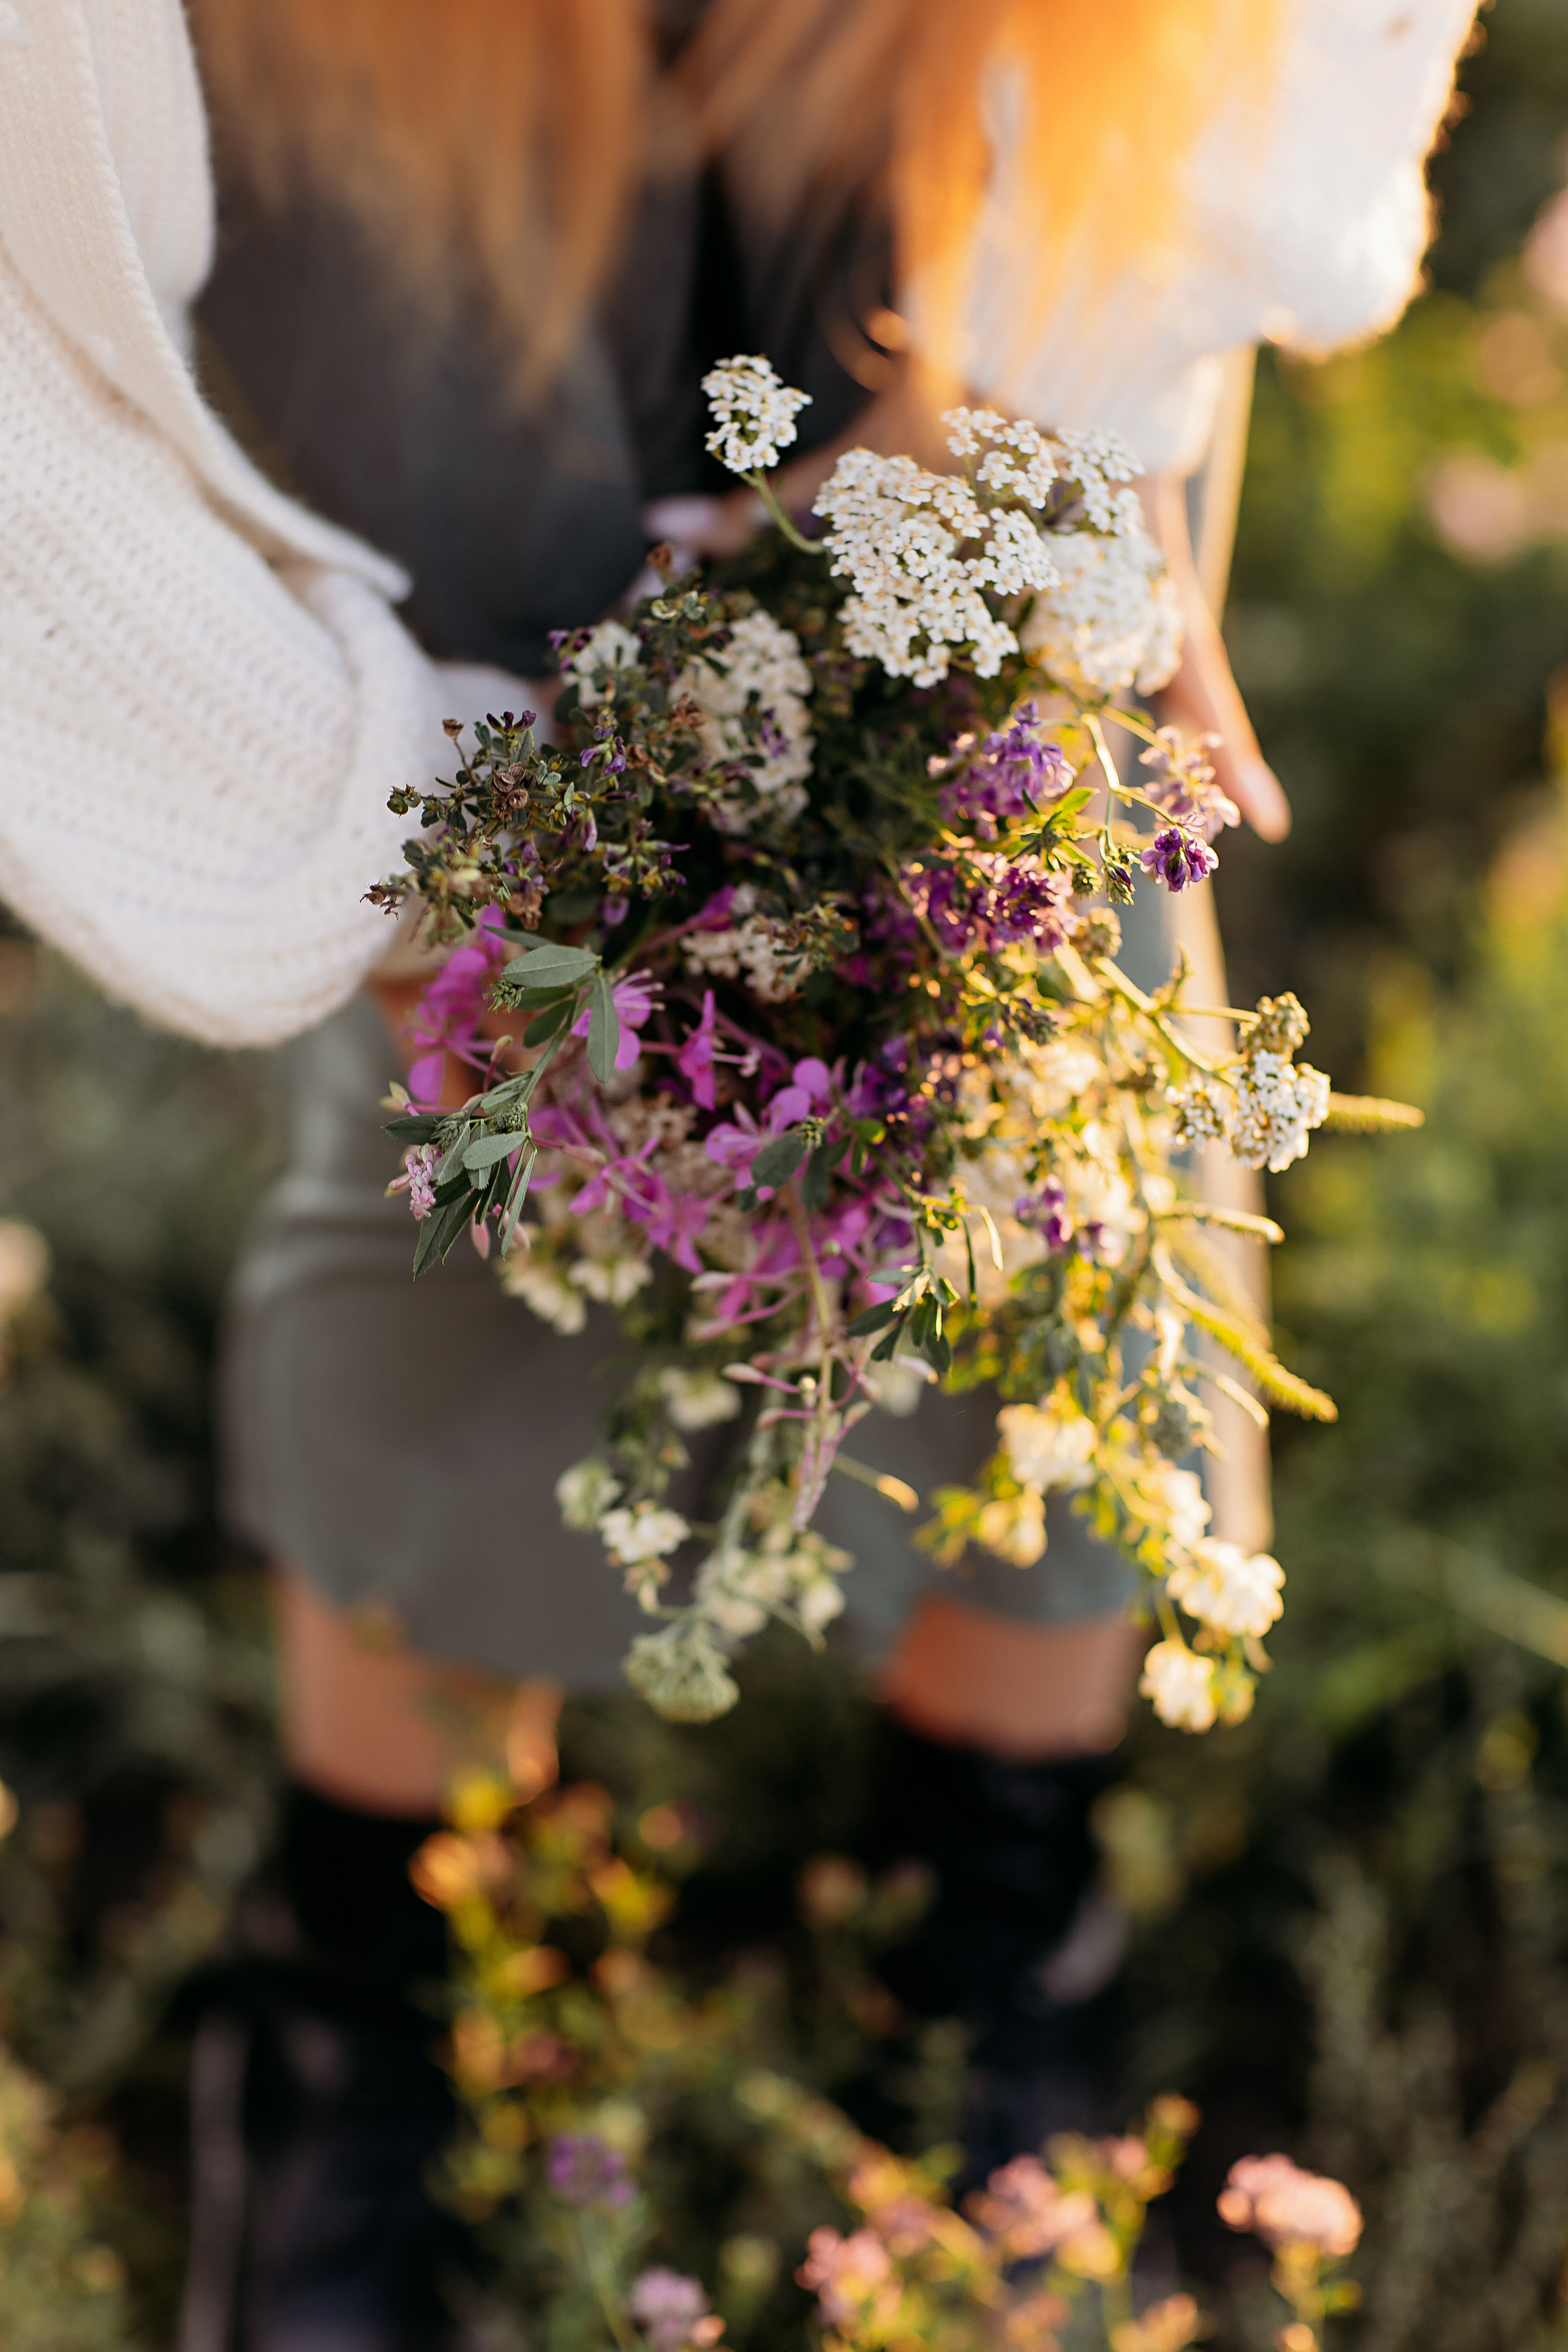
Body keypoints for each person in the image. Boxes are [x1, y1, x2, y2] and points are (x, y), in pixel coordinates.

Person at [0, 2, 1479, 2343]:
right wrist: (383, 821)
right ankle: (373, 2025)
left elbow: (1230, 84)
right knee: (470, 1161)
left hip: (969, 191)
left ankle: (984, 1968)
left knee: (1043, 1132)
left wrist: (1033, 522)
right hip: (379, 212)